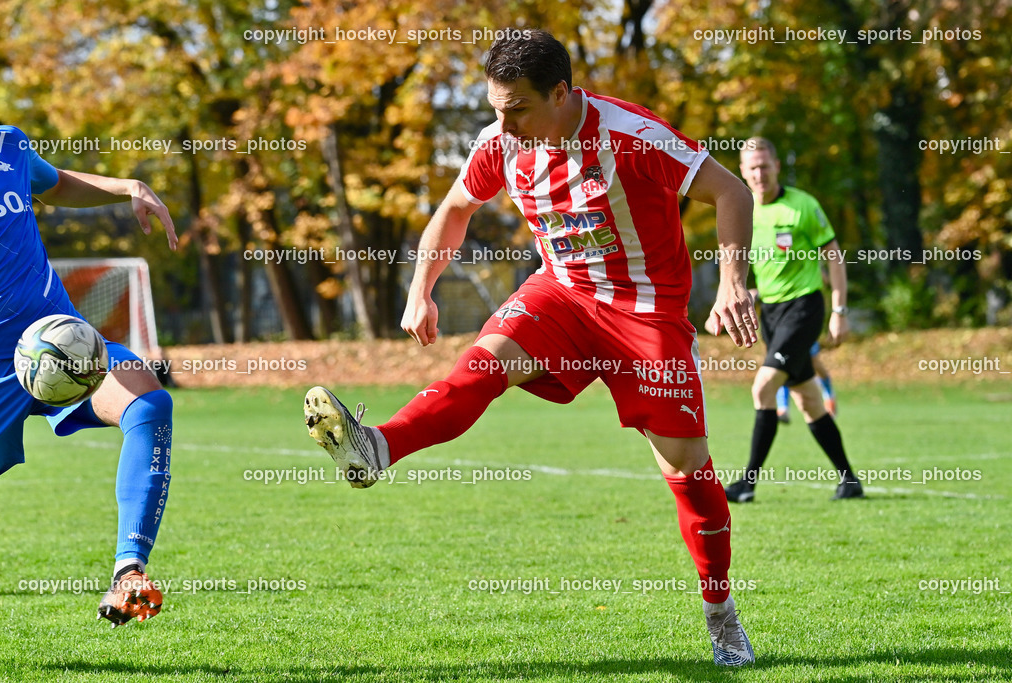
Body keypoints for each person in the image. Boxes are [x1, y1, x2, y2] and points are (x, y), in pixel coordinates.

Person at [304, 30, 758, 666]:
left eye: (517, 106)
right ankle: (376, 446)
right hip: (563, 296)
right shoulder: (501, 142)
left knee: (687, 472)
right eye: (495, 106)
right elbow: (457, 207)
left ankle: (721, 615)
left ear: (562, 93)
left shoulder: (630, 135)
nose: (503, 121)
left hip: (646, 313)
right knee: (480, 367)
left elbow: (731, 191)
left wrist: (733, 283)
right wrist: (420, 289)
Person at [0, 124, 177, 626]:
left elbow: (54, 184)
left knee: (149, 403)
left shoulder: (6, 145)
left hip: (59, 344)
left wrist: (125, 187)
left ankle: (128, 569)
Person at [715, 136, 862, 503]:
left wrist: (840, 311)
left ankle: (746, 484)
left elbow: (834, 258)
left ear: (777, 166)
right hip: (772, 315)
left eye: (765, 165)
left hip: (805, 309)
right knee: (809, 400)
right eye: (752, 167)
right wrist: (740, 299)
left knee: (763, 388)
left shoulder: (802, 206)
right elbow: (755, 275)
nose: (760, 173)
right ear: (743, 172)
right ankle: (850, 481)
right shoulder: (744, 212)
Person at [776, 342, 836, 424]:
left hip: (803, 332)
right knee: (783, 363)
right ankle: (783, 407)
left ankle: (829, 395)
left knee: (815, 363)